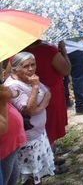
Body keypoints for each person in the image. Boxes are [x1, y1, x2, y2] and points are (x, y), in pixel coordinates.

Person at [4, 53, 56, 183]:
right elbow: (29, 110)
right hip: (29, 138)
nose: (31, 69)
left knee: (38, 172)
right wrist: (35, 88)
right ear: (15, 69)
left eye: (33, 64)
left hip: (39, 133)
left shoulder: (29, 79)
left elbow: (48, 93)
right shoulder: (13, 86)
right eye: (26, 66)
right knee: (30, 176)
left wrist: (39, 109)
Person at [24, 41, 68, 149]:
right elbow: (66, 70)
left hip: (28, 96)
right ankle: (49, 158)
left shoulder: (17, 54)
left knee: (38, 128)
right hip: (50, 94)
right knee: (50, 127)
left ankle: (47, 155)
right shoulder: (49, 50)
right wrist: (63, 51)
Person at [1, 77, 27, 185]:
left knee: (13, 176)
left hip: (13, 142)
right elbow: (2, 127)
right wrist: (3, 101)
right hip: (4, 144)